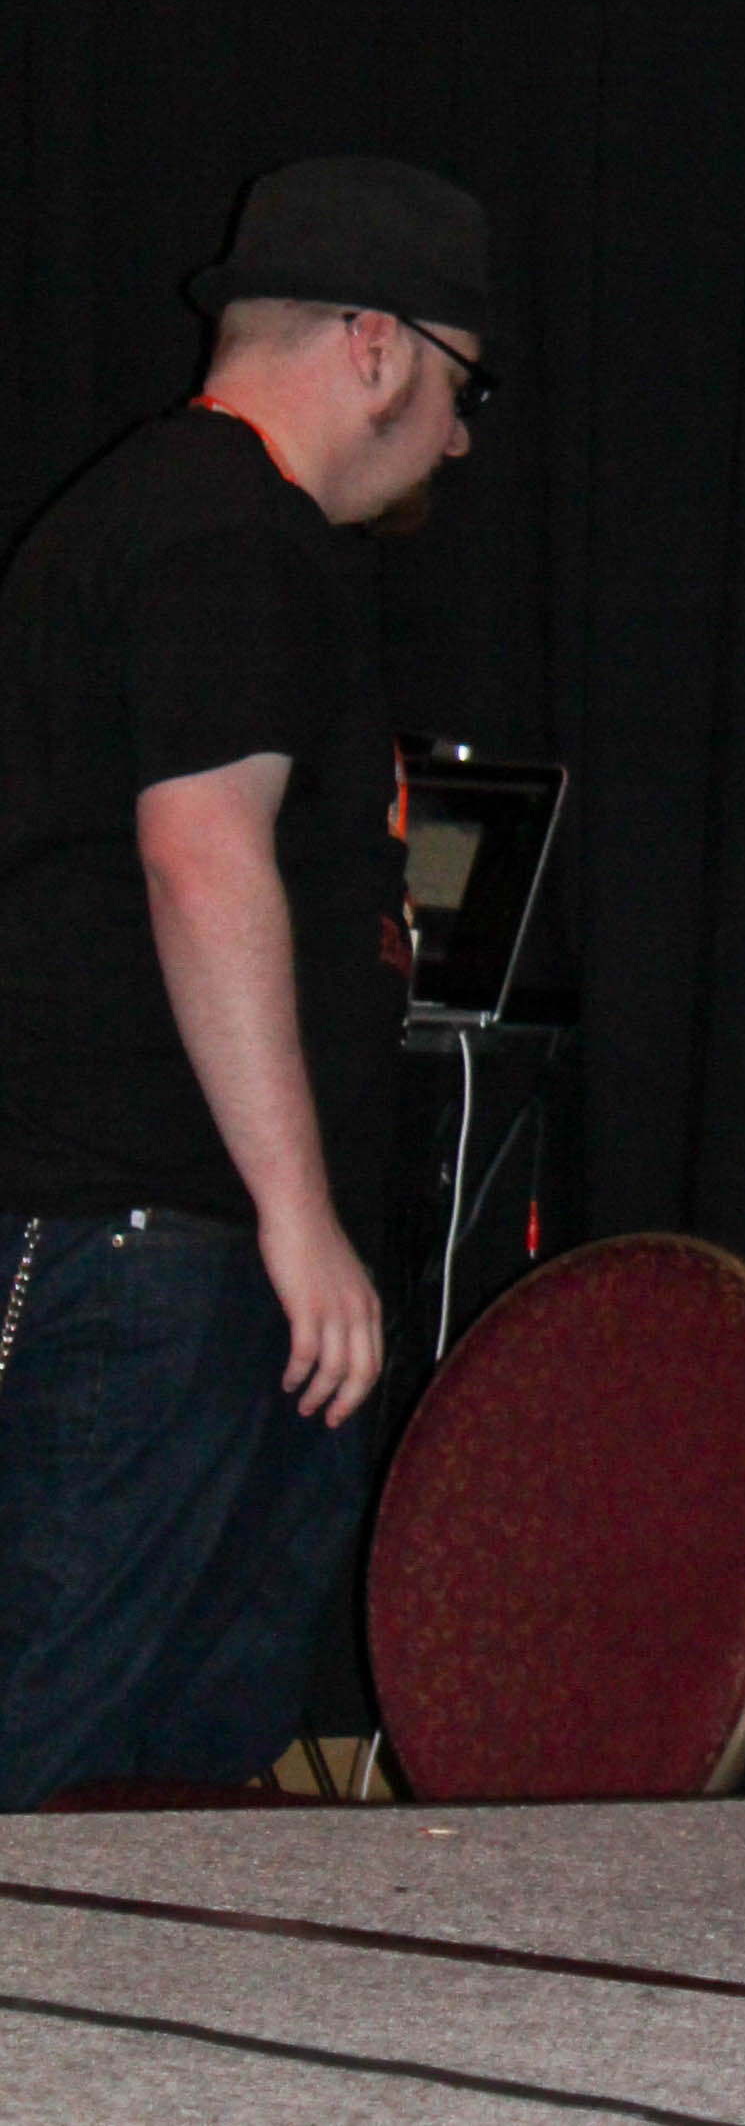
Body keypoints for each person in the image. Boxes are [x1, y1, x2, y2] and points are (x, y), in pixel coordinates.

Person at [0, 155, 493, 1808]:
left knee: (176, 1789)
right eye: (464, 385)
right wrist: (296, 1215)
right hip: (155, 1249)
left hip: (185, 1253)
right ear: (377, 346)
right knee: (61, 1769)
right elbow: (200, 858)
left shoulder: (190, 518)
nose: (460, 439)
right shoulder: (227, 530)